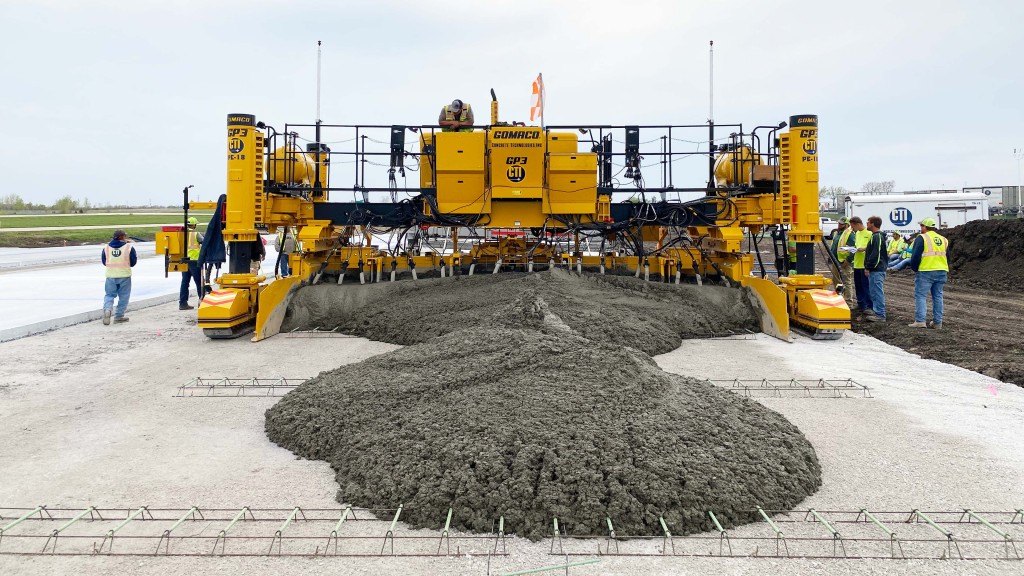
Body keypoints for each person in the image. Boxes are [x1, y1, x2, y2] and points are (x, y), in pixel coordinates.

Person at [908, 217, 949, 329]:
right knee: (938, 296)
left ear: (924, 227)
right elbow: (947, 257)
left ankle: (920, 321)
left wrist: (915, 268)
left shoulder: (922, 238)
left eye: (921, 226)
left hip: (926, 271)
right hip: (942, 270)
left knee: (921, 296)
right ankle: (937, 322)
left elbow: (915, 256)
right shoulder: (943, 239)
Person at [101, 230, 137, 325]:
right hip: (124, 275)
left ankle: (107, 310)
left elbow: (104, 261)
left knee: (109, 295)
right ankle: (118, 316)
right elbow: (133, 262)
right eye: (124, 236)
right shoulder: (128, 248)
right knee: (124, 296)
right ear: (121, 237)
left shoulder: (106, 248)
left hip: (110, 275)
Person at [863, 216, 888, 322]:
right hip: (876, 269)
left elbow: (875, 255)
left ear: (873, 224)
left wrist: (869, 267)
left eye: (868, 222)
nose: (867, 224)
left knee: (877, 291)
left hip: (877, 269)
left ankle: (880, 314)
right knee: (874, 291)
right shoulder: (875, 236)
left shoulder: (877, 237)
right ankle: (876, 310)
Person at [848, 216, 873, 316]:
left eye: (852, 226)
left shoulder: (869, 233)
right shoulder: (857, 233)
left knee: (866, 285)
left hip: (864, 264)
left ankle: (869, 305)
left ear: (857, 224)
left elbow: (872, 247)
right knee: (858, 285)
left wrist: (864, 249)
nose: (852, 228)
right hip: (857, 263)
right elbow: (857, 245)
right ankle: (861, 303)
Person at [179, 216, 204, 310]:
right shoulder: (195, 234)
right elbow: (204, 242)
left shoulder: (181, 234)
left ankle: (182, 303)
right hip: (194, 261)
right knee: (199, 282)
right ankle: (202, 302)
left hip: (184, 261)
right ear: (193, 225)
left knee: (185, 282)